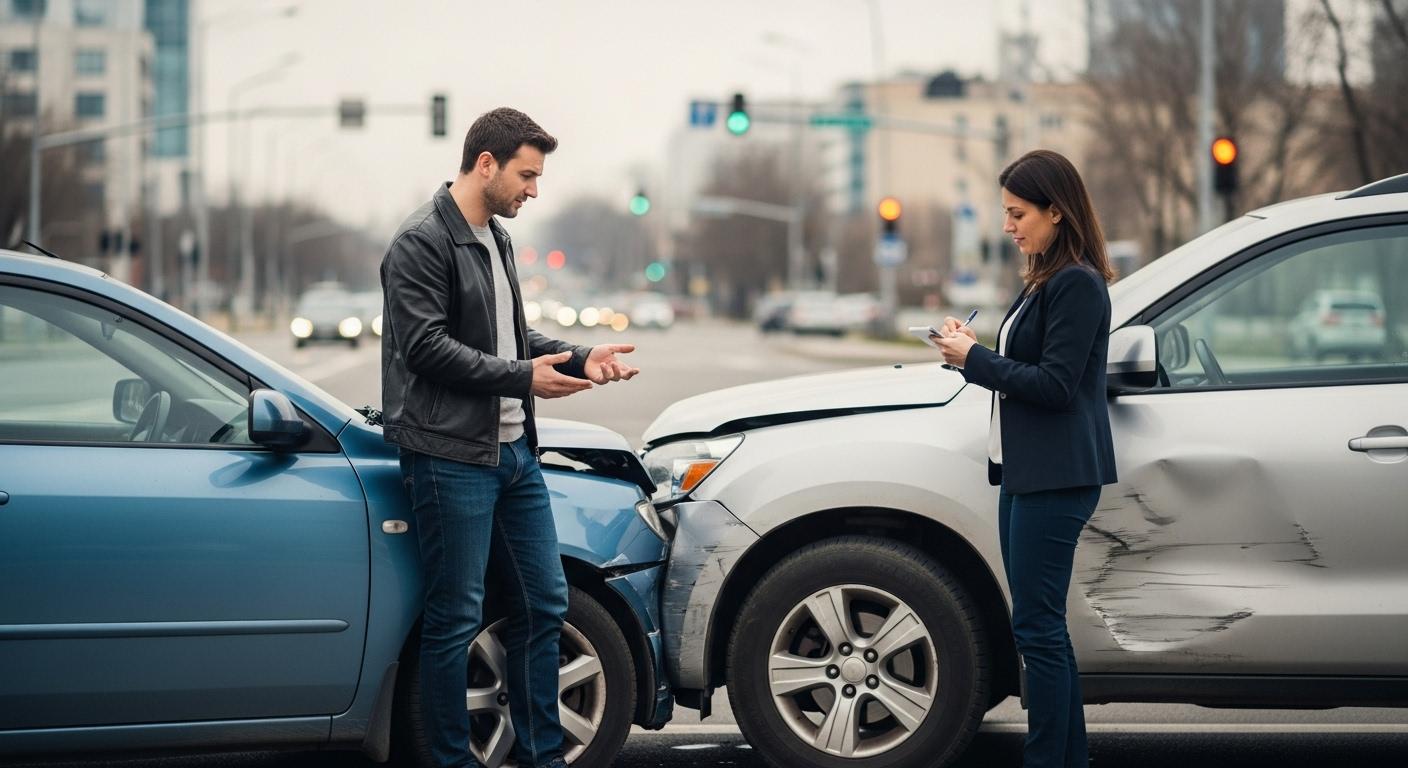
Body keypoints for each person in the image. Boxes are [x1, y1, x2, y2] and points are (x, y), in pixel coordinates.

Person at [380, 107, 639, 768]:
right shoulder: (421, 241)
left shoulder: (494, 237)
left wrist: (581, 357)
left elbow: (510, 342)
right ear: (485, 162)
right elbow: (427, 350)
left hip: (513, 454)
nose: (534, 189)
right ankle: (451, 760)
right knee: (456, 617)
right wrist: (524, 377)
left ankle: (540, 757)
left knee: (543, 604)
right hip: (448, 457)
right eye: (527, 174)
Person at [933, 149, 1117, 768]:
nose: (1009, 226)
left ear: (1056, 211)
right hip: (1026, 472)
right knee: (1040, 628)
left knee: (1037, 631)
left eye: (1018, 214)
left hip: (1057, 476)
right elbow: (1030, 366)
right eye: (1006, 214)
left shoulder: (1078, 284)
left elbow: (1056, 385)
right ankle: (1066, 759)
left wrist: (974, 361)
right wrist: (974, 347)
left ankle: (1052, 760)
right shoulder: (1044, 280)